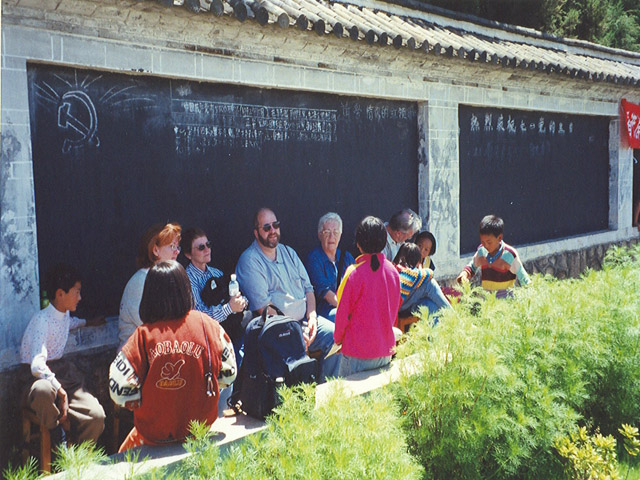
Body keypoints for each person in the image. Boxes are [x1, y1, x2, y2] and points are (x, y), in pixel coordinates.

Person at [109, 261, 237, 452]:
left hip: (154, 439)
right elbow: (229, 375)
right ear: (187, 290)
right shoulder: (209, 326)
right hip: (200, 434)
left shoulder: (143, 336)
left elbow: (119, 392)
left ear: (149, 294)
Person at [235, 208, 340, 381]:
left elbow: (309, 289)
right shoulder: (250, 261)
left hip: (305, 322)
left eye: (275, 225)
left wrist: (312, 317)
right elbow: (265, 309)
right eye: (266, 227)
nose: (272, 231)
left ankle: (325, 391)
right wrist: (296, 332)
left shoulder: (288, 252)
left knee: (336, 337)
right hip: (279, 331)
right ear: (256, 232)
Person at [21, 263, 105, 446]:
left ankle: (79, 460)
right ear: (60, 294)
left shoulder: (63, 314)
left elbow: (70, 323)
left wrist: (89, 322)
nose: (80, 297)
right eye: (76, 292)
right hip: (37, 378)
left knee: (95, 416)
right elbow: (36, 365)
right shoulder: (41, 320)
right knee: (43, 390)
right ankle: (60, 436)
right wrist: (61, 392)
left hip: (63, 373)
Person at [334, 216, 400, 377]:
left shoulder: (353, 274)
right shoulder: (393, 272)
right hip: (385, 350)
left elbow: (342, 315)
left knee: (348, 401)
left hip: (357, 352)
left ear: (358, 244)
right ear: (384, 242)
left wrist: (338, 341)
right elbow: (393, 311)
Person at [181, 227, 251, 363]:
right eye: (201, 247)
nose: (207, 250)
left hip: (231, 334)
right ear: (189, 254)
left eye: (208, 245)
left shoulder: (217, 273)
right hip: (206, 341)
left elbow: (241, 297)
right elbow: (200, 317)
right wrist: (229, 308)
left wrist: (241, 302)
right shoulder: (186, 280)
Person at [118, 222, 181, 348]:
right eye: (172, 246)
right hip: (135, 359)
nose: (177, 252)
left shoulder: (166, 277)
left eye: (177, 247)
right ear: (155, 250)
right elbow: (152, 328)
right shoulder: (139, 282)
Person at [456, 215, 530, 297]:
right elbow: (472, 266)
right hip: (488, 303)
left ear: (499, 238)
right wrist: (464, 274)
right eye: (483, 242)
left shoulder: (509, 255)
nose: (486, 245)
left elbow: (524, 279)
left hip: (507, 304)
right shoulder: (481, 251)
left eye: (489, 242)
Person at [305, 212, 355, 322]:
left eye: (335, 232)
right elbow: (325, 293)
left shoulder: (347, 257)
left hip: (348, 307)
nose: (332, 237)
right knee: (345, 317)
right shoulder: (314, 258)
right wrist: (350, 309)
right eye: (327, 232)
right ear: (319, 235)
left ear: (340, 235)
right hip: (326, 311)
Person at [393, 243, 451, 318]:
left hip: (401, 305)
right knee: (430, 284)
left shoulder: (398, 268)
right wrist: (420, 267)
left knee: (429, 304)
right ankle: (453, 317)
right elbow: (430, 273)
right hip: (398, 307)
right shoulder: (407, 273)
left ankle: (442, 327)